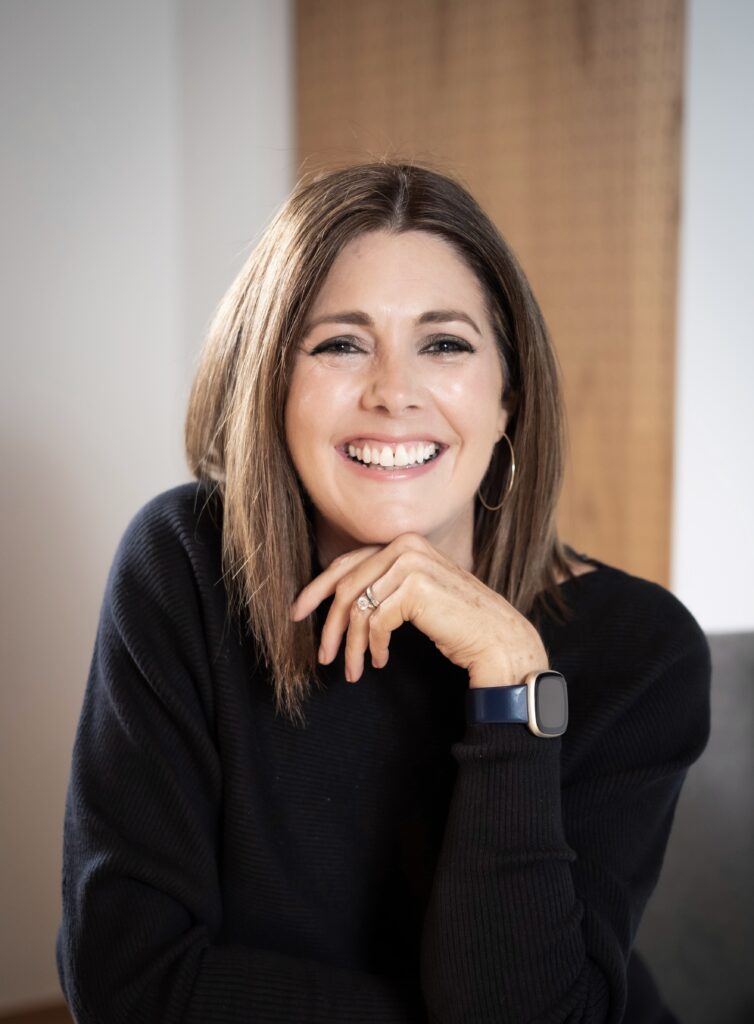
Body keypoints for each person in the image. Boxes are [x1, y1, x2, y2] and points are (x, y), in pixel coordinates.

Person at [57, 161, 710, 1023]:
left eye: (444, 345)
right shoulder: (184, 568)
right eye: (341, 344)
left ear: (507, 398)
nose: (393, 393)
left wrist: (511, 679)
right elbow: (128, 987)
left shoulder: (641, 648)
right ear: (271, 387)